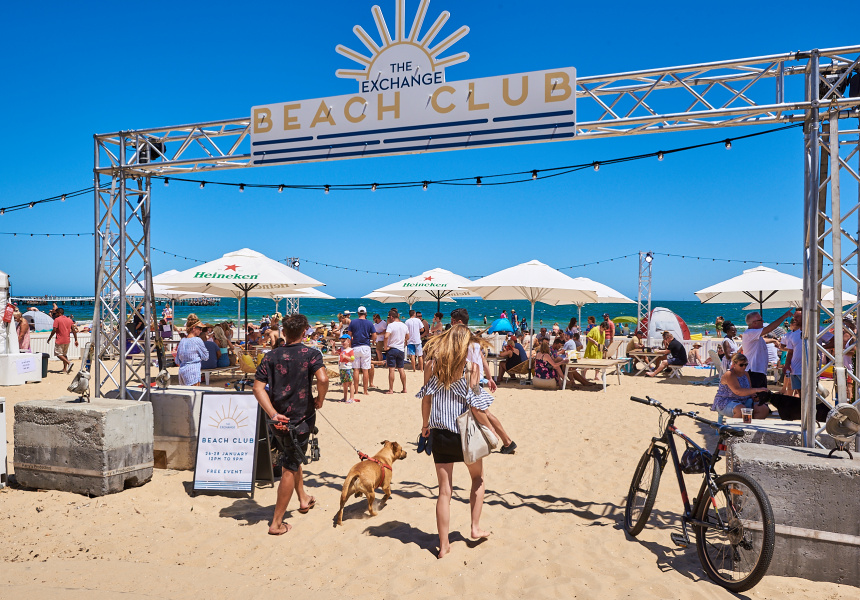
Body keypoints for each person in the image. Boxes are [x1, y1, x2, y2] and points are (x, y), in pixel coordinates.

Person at [418, 324, 495, 558]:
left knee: (444, 491)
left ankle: (444, 545)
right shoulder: (471, 368)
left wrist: (425, 426)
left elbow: (426, 400)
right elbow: (476, 405)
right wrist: (491, 429)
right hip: (465, 434)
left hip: (440, 433)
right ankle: (475, 527)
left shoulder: (432, 365)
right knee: (478, 479)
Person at [253, 314, 328, 536]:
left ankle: (303, 498)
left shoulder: (270, 356)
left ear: (283, 332)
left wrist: (273, 414)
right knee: (289, 466)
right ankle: (276, 523)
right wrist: (320, 399)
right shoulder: (311, 354)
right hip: (300, 420)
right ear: (305, 332)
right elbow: (323, 379)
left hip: (276, 419)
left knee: (292, 455)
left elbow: (257, 388)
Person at [447, 308, 515, 454]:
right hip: (475, 380)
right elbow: (482, 358)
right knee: (481, 411)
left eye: (453, 321)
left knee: (481, 411)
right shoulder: (472, 336)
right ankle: (506, 441)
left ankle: (502, 439)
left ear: (459, 322)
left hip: (470, 381)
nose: (451, 324)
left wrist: (489, 378)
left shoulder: (461, 338)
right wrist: (490, 378)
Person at [742, 310, 793, 388]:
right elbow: (769, 329)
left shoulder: (753, 335)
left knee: (761, 393)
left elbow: (762, 340)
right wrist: (784, 316)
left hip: (758, 371)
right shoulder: (750, 333)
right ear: (754, 323)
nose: (763, 321)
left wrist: (773, 340)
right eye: (760, 320)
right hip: (754, 371)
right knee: (756, 394)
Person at [711, 353, 770, 419]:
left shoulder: (746, 374)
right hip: (726, 401)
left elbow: (749, 389)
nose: (744, 367)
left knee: (763, 409)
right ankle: (735, 425)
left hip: (745, 400)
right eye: (741, 365)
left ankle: (750, 424)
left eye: (746, 364)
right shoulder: (729, 374)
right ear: (734, 364)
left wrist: (754, 396)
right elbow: (738, 391)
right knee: (742, 410)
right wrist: (757, 390)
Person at [348, 306, 377, 394]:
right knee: (365, 370)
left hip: (355, 347)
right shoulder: (369, 323)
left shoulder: (353, 322)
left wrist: (349, 347)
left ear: (358, 313)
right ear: (365, 313)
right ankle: (365, 391)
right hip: (365, 347)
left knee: (356, 369)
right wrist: (369, 338)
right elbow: (374, 336)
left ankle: (356, 391)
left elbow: (349, 336)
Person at [384, 308, 409, 394]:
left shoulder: (391, 325)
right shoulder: (404, 325)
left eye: (389, 317)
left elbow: (386, 336)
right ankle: (404, 388)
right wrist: (403, 341)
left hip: (392, 348)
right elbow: (408, 336)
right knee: (401, 369)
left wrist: (385, 347)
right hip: (401, 349)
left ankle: (391, 389)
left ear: (391, 317)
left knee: (391, 370)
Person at [176, 321, 209, 385]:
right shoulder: (197, 340)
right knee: (195, 391)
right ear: (194, 328)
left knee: (184, 391)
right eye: (200, 328)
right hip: (193, 372)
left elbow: (177, 360)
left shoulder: (182, 341)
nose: (201, 331)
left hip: (182, 372)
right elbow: (206, 356)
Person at [47, 307, 78, 374]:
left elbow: (54, 330)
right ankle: (64, 368)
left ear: (59, 313)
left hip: (60, 339)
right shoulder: (69, 320)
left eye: (56, 313)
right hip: (67, 339)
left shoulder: (57, 319)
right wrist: (76, 339)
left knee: (58, 354)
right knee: (64, 354)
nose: (55, 315)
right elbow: (73, 330)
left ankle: (69, 363)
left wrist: (49, 338)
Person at [781, 316, 802, 397]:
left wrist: (792, 349)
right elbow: (784, 348)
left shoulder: (790, 335)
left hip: (794, 359)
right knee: (792, 384)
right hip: (791, 359)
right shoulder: (789, 335)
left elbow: (783, 348)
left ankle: (789, 394)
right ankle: (787, 393)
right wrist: (791, 349)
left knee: (794, 386)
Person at [338, 334, 358, 403]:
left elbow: (352, 359)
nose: (343, 343)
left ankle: (352, 398)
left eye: (344, 341)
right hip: (342, 368)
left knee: (350, 383)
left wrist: (345, 357)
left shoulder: (350, 350)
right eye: (342, 341)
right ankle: (345, 398)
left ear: (348, 341)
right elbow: (333, 353)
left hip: (348, 368)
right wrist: (333, 346)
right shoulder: (341, 349)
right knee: (344, 384)